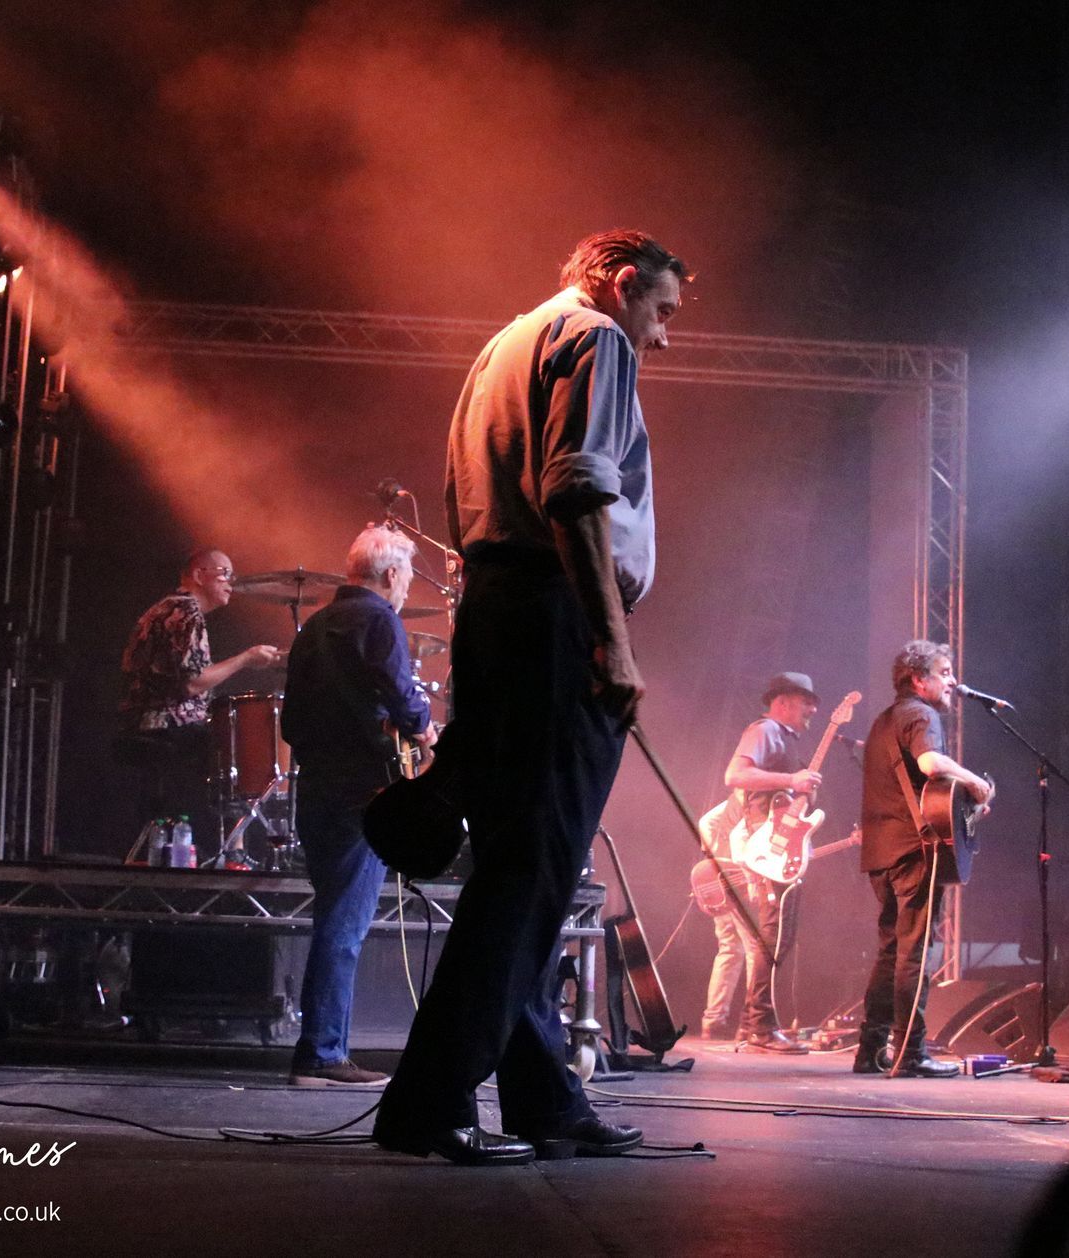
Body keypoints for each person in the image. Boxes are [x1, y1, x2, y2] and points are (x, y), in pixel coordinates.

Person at [371, 229, 687, 1166]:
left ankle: (545, 1096)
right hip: (552, 613)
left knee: (525, 865)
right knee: (533, 871)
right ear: (621, 284)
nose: (664, 335)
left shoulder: (507, 343)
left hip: (498, 609)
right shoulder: (598, 338)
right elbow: (577, 491)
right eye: (662, 309)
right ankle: (429, 1102)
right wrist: (610, 640)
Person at [280, 525, 434, 1086]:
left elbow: (291, 722)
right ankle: (321, 1054)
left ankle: (324, 1048)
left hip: (315, 786)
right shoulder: (380, 620)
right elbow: (401, 693)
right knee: (344, 924)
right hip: (363, 790)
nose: (407, 587)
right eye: (407, 576)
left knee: (332, 915)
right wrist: (424, 730)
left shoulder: (314, 626)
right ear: (390, 574)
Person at [855, 640, 991, 1078]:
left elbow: (914, 788)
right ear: (918, 679)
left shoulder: (884, 720)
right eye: (944, 672)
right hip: (913, 851)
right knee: (914, 952)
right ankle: (910, 1053)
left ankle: (871, 1049)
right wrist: (973, 782)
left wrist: (959, 805)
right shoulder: (921, 714)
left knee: (890, 951)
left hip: (881, 849)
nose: (952, 681)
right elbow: (931, 763)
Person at [116, 549, 282, 841]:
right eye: (224, 574)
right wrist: (246, 658)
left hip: (142, 721)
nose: (231, 583)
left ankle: (216, 845)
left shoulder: (169, 608)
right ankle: (230, 849)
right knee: (234, 758)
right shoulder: (186, 612)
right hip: (165, 725)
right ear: (198, 575)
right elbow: (193, 684)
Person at [701, 672, 823, 1052]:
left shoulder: (786, 741)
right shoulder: (765, 730)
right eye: (806, 701)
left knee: (777, 939)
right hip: (768, 852)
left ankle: (752, 1024)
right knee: (770, 939)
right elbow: (735, 774)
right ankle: (761, 1029)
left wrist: (801, 793)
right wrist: (791, 779)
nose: (812, 709)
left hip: (780, 850)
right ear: (782, 702)